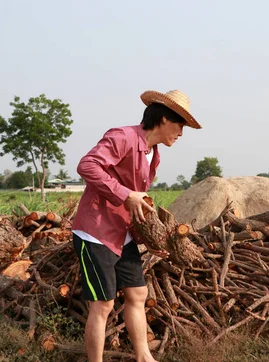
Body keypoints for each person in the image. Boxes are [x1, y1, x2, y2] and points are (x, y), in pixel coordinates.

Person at [72, 89, 201, 362]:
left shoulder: (153, 155)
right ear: (165, 119)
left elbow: (137, 203)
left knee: (138, 293)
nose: (181, 134)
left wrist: (152, 240)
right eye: (180, 126)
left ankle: (144, 357)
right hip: (95, 231)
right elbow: (87, 165)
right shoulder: (123, 137)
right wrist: (124, 194)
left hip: (122, 234)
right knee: (103, 304)